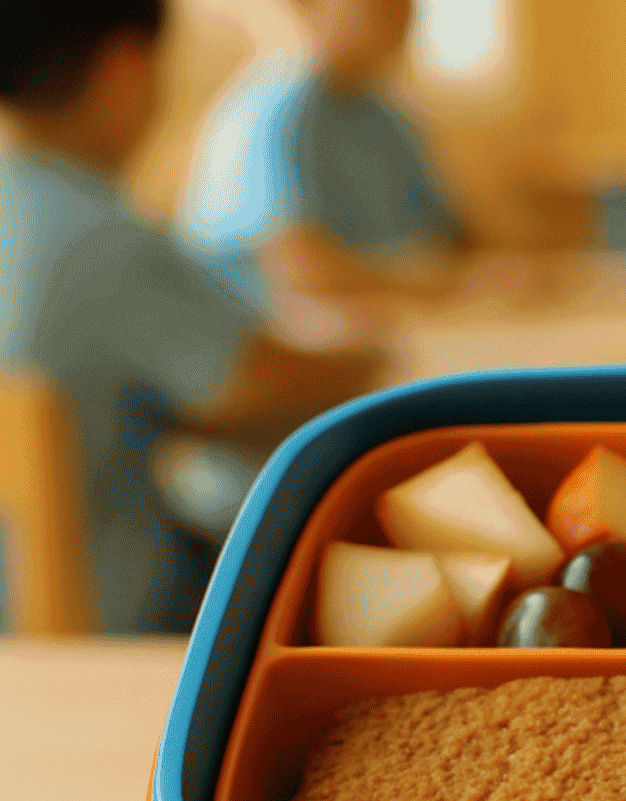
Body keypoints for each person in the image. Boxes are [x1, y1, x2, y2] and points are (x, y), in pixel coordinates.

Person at [0, 0, 386, 634]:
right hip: (112, 628)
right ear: (122, 70)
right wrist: (380, 357)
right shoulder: (98, 237)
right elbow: (255, 388)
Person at [174, 0, 464, 315]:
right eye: (383, 5)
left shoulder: (387, 119)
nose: (403, 16)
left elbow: (448, 237)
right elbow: (303, 272)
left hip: (395, 319)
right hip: (279, 339)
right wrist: (447, 287)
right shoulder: (272, 113)